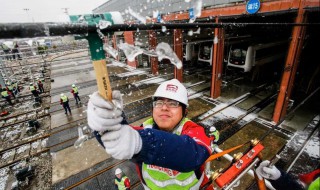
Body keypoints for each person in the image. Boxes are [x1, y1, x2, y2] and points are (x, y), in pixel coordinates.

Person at [88, 79, 213, 189]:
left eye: (173, 103)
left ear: (185, 111)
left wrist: (143, 144)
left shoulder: (194, 131)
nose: (164, 107)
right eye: (159, 103)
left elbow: (192, 154)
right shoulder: (144, 130)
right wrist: (104, 124)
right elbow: (118, 139)